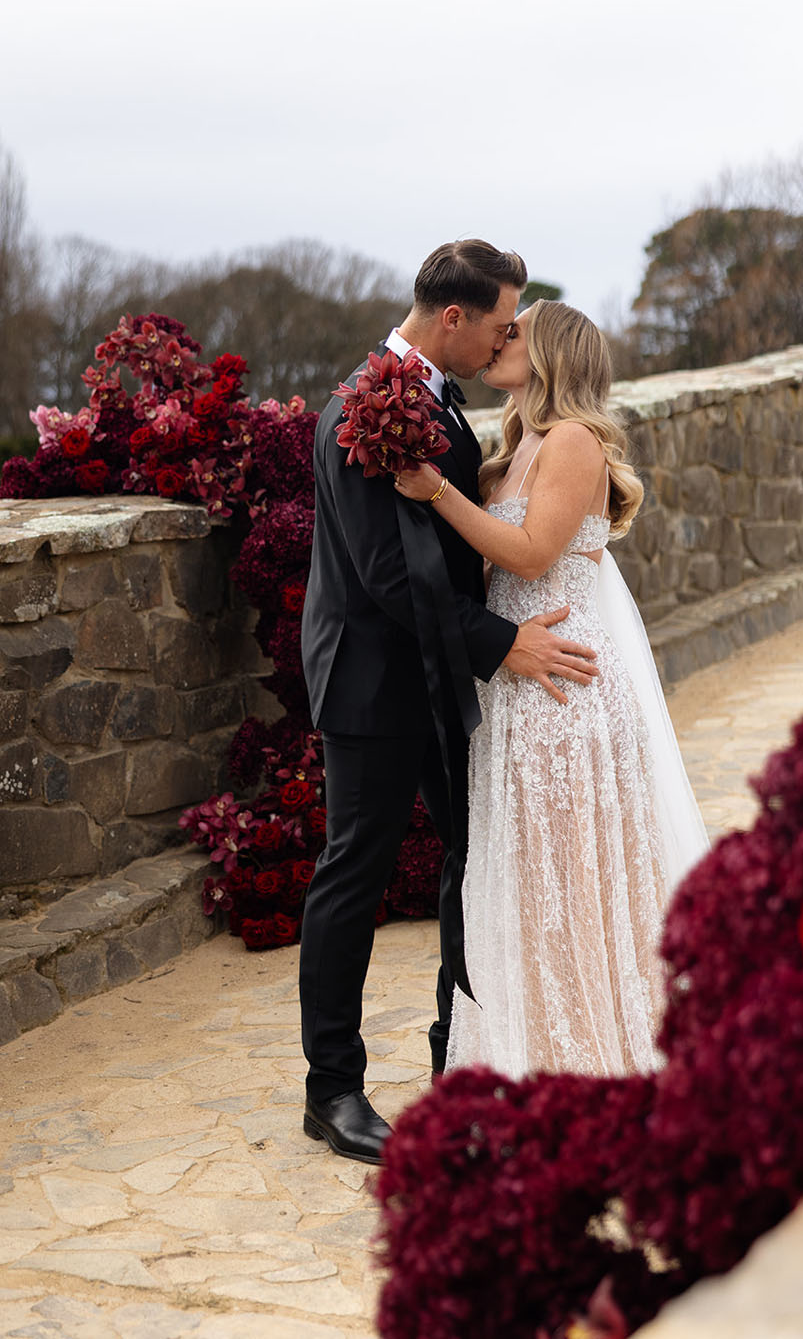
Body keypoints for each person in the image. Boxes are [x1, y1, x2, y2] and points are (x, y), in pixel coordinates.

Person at [299, 244, 601, 1164]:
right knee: (356, 869)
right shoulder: (363, 406)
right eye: (505, 321)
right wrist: (504, 645)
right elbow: (387, 574)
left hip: (445, 676)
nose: (512, 336)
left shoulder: (439, 405)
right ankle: (333, 1091)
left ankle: (455, 1056)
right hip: (372, 680)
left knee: (474, 863)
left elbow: (454, 539)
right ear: (455, 319)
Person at [395, 299, 709, 1076]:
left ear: (553, 354)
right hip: (513, 686)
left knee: (572, 877)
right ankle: (532, 1049)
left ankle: (597, 1056)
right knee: (526, 882)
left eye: (517, 332)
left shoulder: (574, 441)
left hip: (566, 687)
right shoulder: (508, 451)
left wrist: (436, 492)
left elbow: (533, 555)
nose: (502, 339)